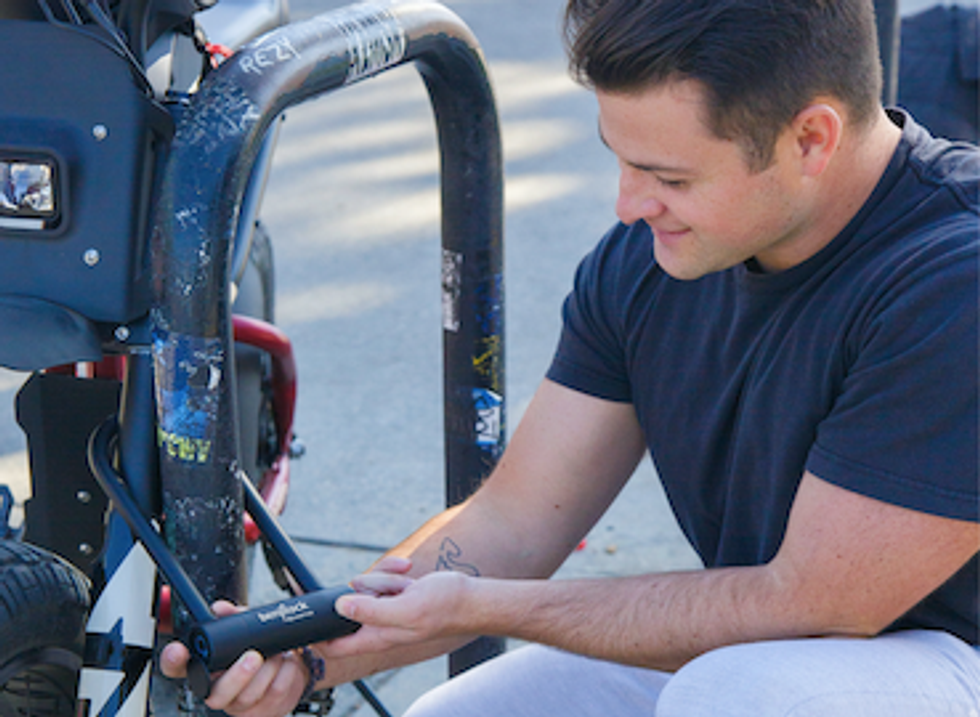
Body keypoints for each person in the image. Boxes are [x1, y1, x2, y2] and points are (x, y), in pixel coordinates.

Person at [162, 0, 980, 714]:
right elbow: (513, 520)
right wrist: (308, 651)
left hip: (922, 658)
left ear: (811, 138)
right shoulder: (653, 258)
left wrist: (489, 606)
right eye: (620, 159)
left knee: (744, 699)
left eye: (668, 176)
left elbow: (807, 604)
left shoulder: (955, 278)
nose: (628, 204)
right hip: (777, 649)